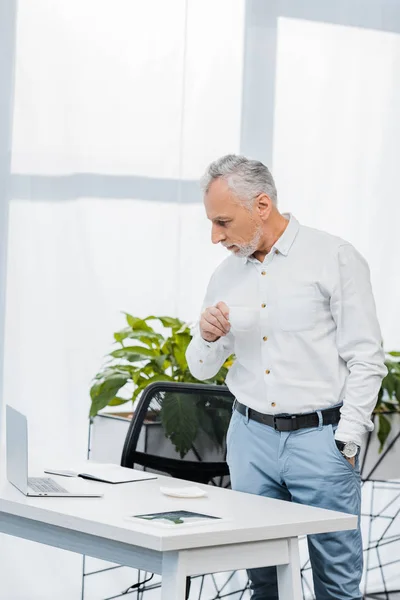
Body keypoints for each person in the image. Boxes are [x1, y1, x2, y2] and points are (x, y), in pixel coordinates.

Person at [185, 154, 387, 600]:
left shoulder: (333, 257)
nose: (215, 236)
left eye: (222, 222)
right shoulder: (225, 273)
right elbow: (202, 367)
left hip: (321, 441)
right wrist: (204, 336)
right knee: (262, 579)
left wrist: (347, 439)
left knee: (335, 580)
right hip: (249, 439)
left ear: (261, 205)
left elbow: (367, 358)